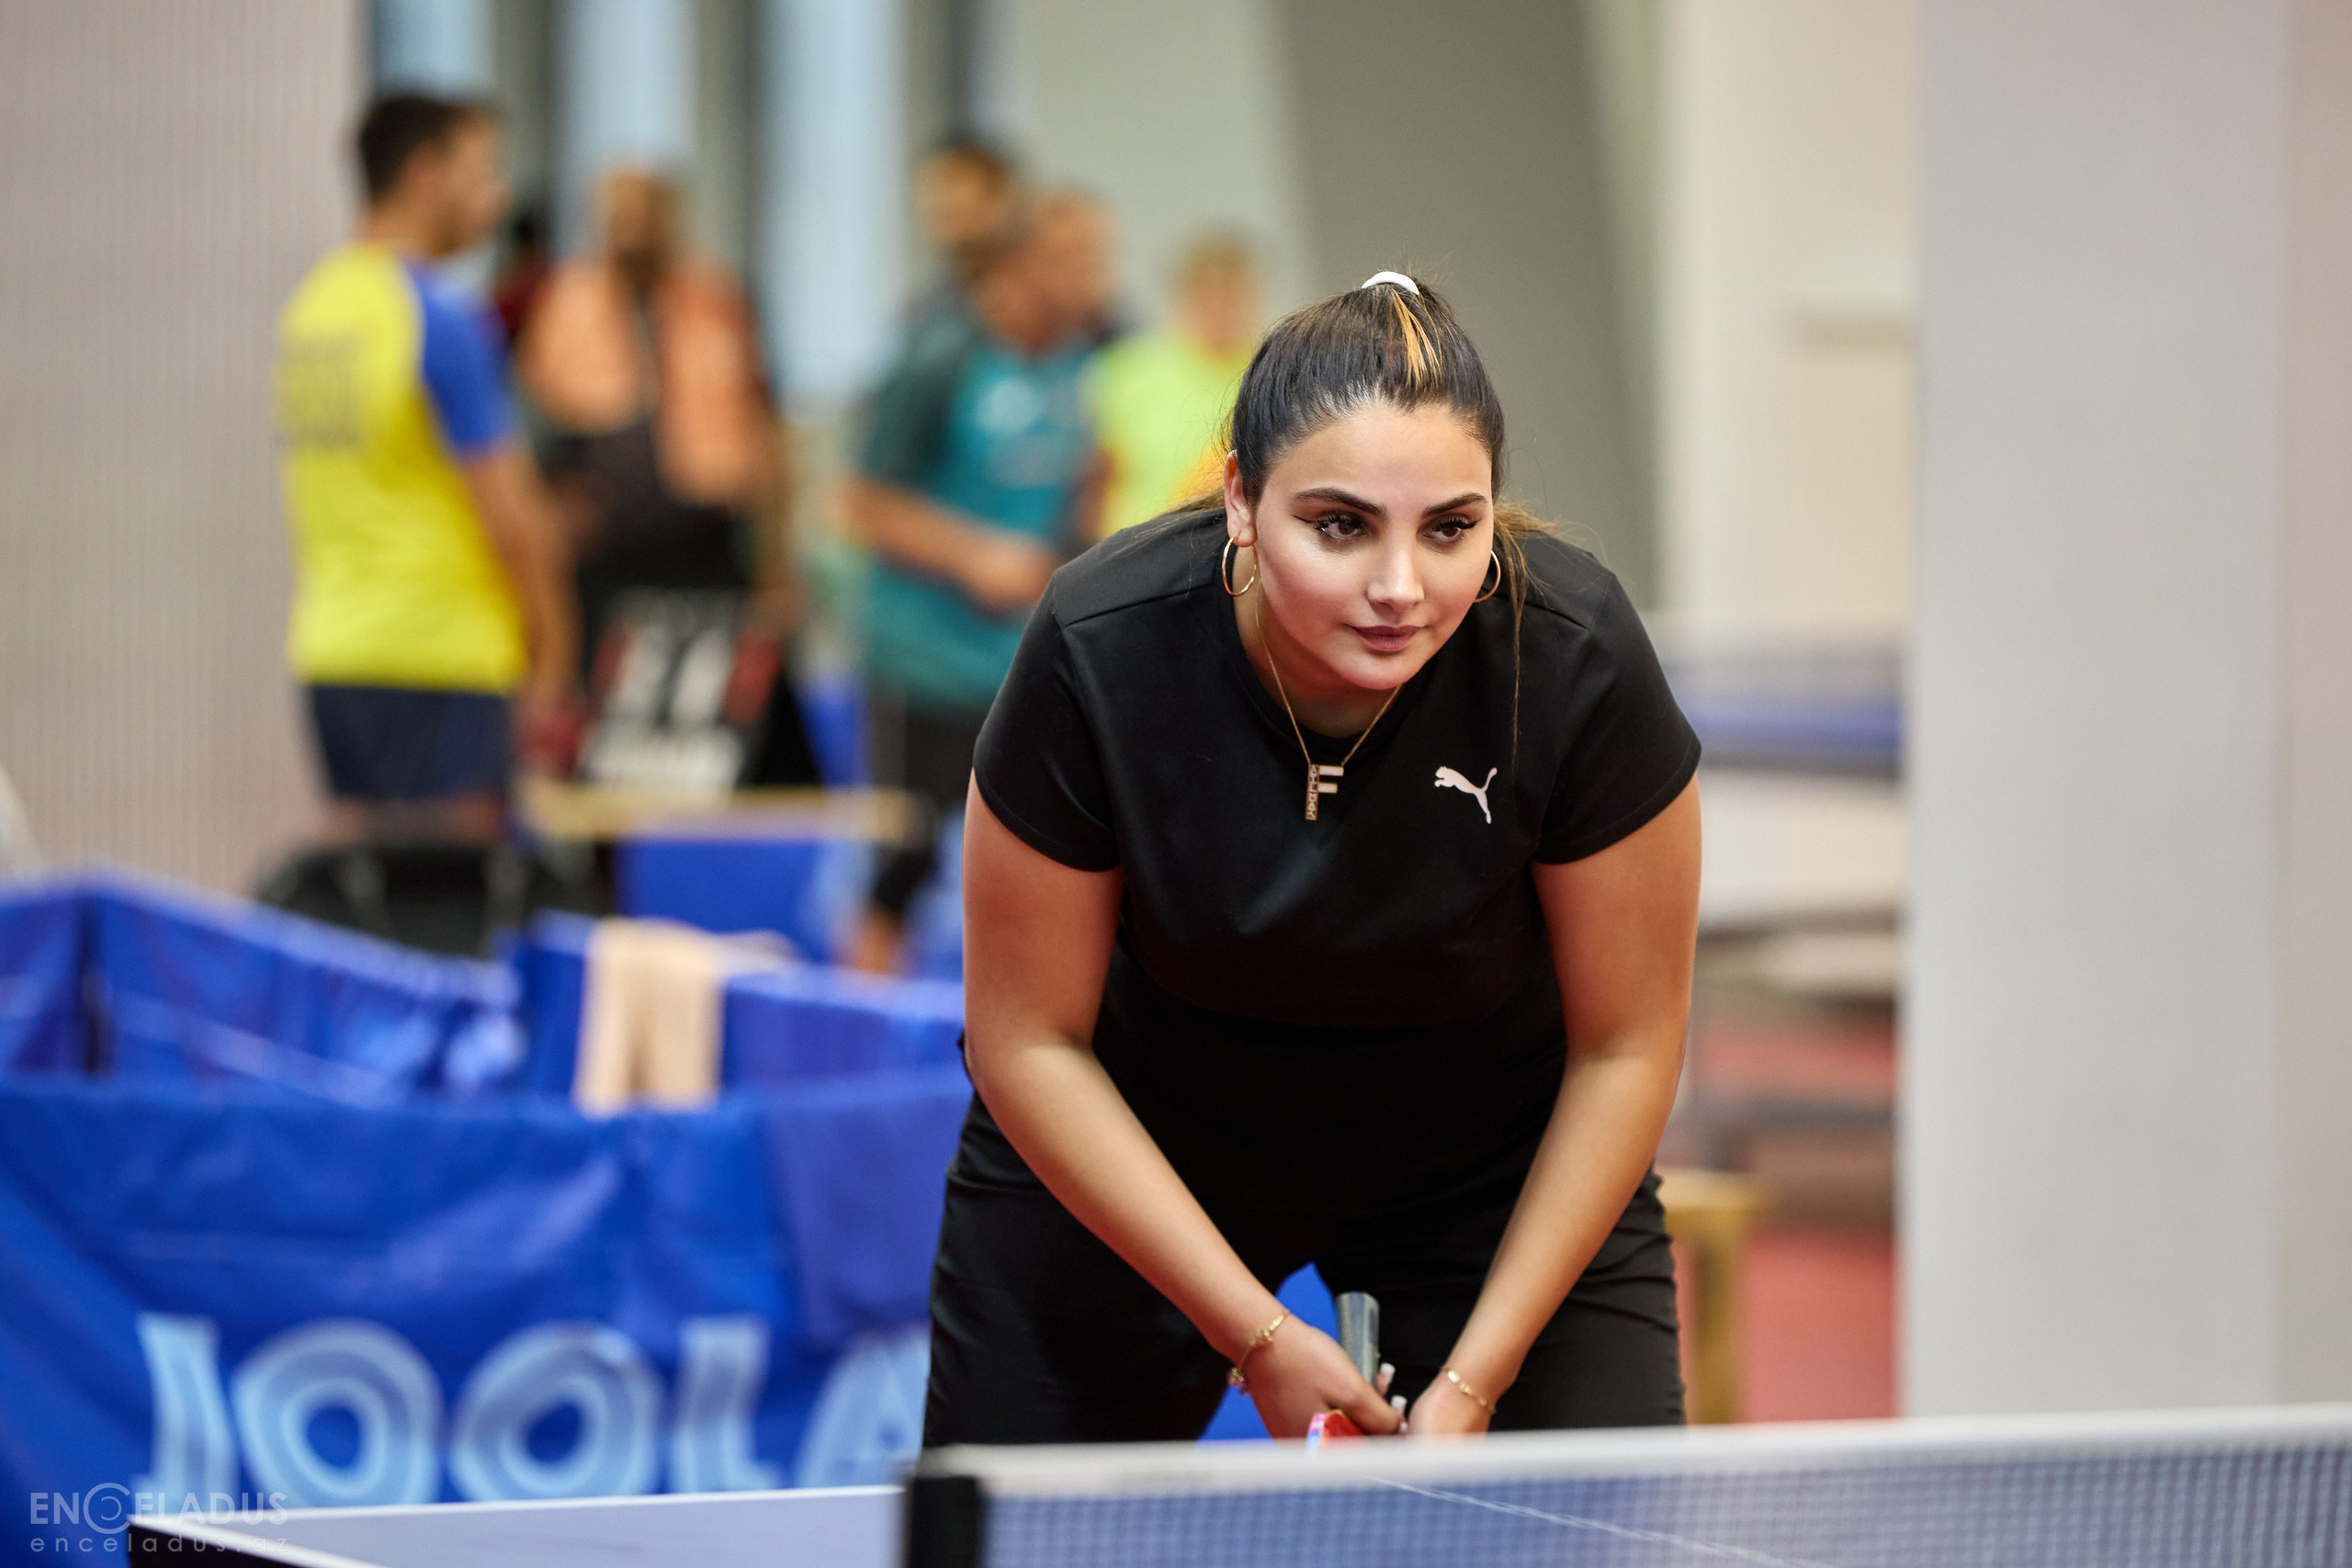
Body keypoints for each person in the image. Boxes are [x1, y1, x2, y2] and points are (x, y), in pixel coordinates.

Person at [923, 272, 1702, 1445]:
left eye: (1451, 528)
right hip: (1146, 1141)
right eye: (1339, 526)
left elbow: (1624, 1046)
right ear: (1240, 497)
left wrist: (1474, 1382)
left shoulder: (1572, 657)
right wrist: (1256, 1331)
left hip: (1487, 1164)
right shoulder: (1101, 646)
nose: (1399, 588)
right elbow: (1024, 1038)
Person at [277, 93, 576, 842]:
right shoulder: (437, 318)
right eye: (481, 173)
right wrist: (554, 664)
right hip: (442, 661)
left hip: (335, 657)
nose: (497, 197)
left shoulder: (311, 313)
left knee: (372, 915)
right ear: (423, 174)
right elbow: (515, 520)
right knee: (451, 919)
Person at [843, 209, 1098, 974]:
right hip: (924, 657)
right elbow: (859, 500)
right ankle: (858, 1043)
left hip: (1020, 659)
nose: (1096, 279)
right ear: (1016, 269)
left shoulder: (1075, 365)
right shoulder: (940, 357)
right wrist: (973, 554)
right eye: (1077, 258)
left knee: (1041, 857)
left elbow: (1067, 492)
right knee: (905, 858)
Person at [516, 166, 796, 671]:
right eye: (619, 221)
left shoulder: (718, 300)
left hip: (706, 544)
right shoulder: (566, 305)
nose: (632, 235)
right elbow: (535, 427)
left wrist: (776, 558)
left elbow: (762, 430)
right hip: (607, 555)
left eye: (644, 219)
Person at [1089, 233, 1261, 538]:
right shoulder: (1127, 369)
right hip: (1138, 542)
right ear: (1183, 296)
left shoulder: (1267, 370)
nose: (1220, 307)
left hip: (1231, 542)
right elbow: (1097, 477)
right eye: (1207, 294)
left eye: (1231, 294)